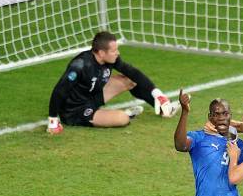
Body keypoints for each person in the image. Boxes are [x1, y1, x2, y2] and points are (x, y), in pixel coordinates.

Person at [47, 31, 179, 134]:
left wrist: (156, 93)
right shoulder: (80, 66)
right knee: (123, 119)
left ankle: (164, 110)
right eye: (114, 50)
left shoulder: (112, 59)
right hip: (76, 111)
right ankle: (126, 114)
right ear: (101, 53)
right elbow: (60, 90)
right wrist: (53, 120)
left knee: (130, 80)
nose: (118, 53)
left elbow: (132, 72)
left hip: (94, 97)